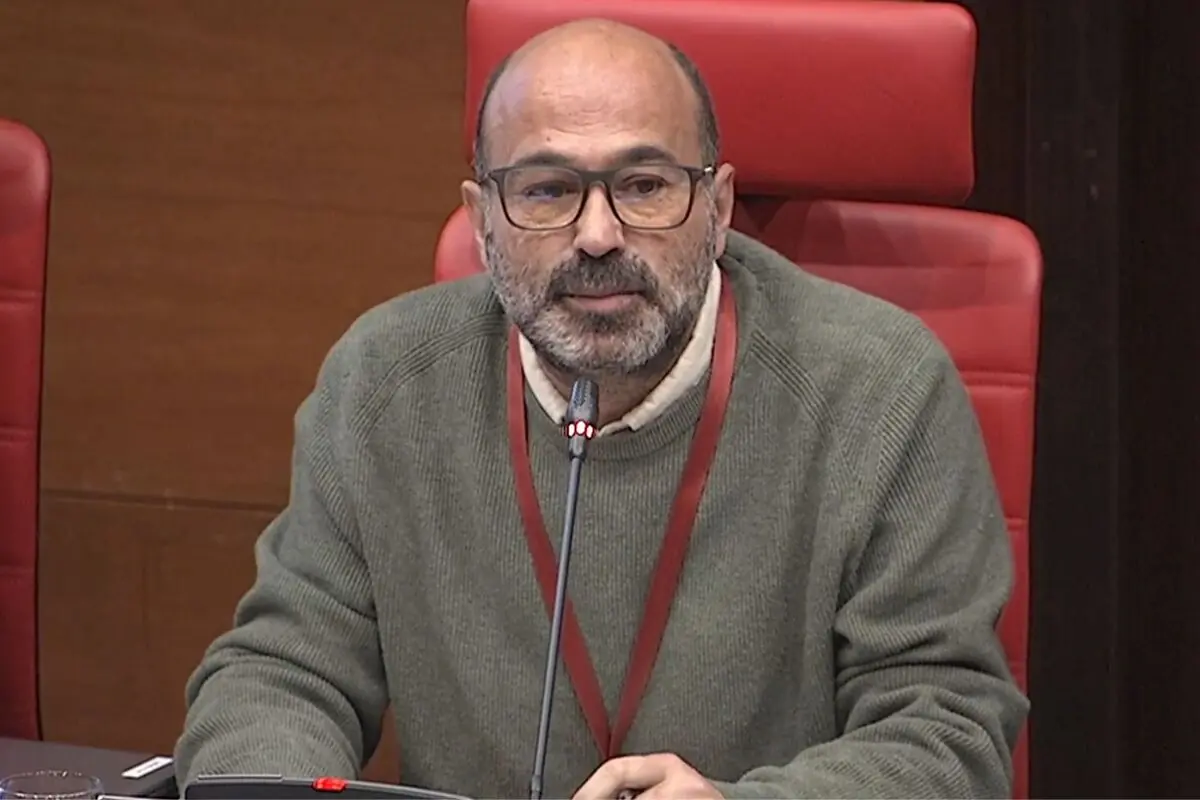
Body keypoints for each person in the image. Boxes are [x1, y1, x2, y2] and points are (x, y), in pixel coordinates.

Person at [175, 17, 1029, 800]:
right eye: (546, 191)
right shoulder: (384, 382)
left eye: (645, 185)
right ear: (482, 222)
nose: (596, 235)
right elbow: (283, 671)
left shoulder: (879, 390)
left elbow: (945, 730)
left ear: (719, 207)